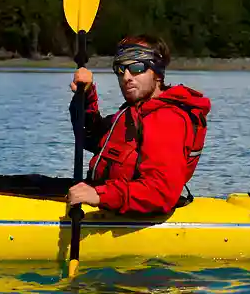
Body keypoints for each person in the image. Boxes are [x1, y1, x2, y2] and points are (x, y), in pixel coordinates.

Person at [67, 34, 211, 215]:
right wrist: (85, 97)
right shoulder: (134, 111)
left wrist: (99, 195)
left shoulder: (167, 119)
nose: (126, 76)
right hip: (109, 194)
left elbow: (161, 192)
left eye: (136, 68)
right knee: (29, 183)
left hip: (131, 207)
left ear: (157, 72)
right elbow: (90, 138)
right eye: (120, 69)